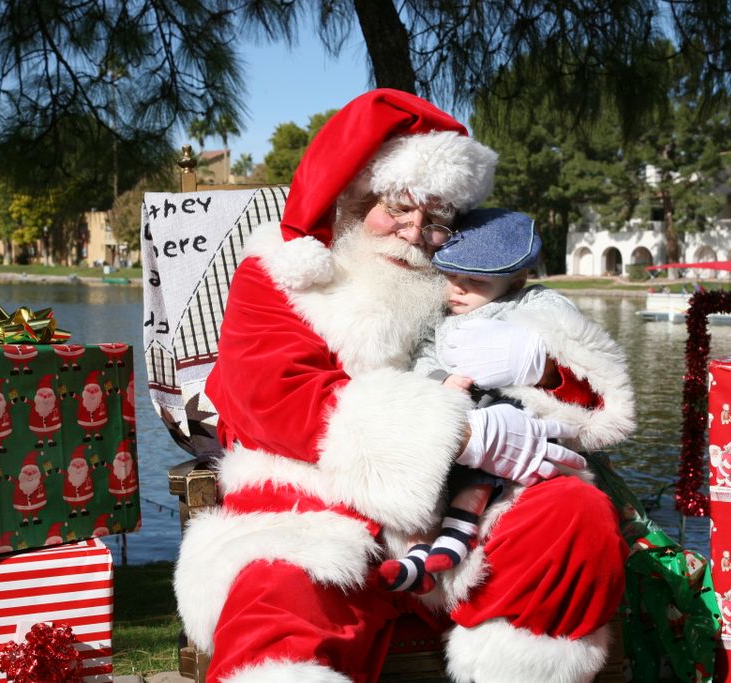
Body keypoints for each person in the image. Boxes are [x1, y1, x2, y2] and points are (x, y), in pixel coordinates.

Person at [174, 89, 635, 683]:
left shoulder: (455, 285)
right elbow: (273, 399)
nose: (415, 231)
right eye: (397, 206)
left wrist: (541, 370)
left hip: (460, 516)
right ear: (352, 197)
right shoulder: (279, 277)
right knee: (275, 600)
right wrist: (462, 434)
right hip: (312, 511)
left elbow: (588, 397)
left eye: (437, 218)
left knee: (573, 514)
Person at [380, 208, 595, 591]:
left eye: (475, 281)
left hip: (513, 417)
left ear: (515, 280)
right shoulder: (442, 317)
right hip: (458, 415)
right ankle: (416, 551)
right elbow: (426, 353)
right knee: (419, 461)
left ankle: (458, 532)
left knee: (495, 439)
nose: (457, 289)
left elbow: (567, 328)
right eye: (450, 276)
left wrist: (534, 354)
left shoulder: (528, 303)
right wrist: (440, 379)